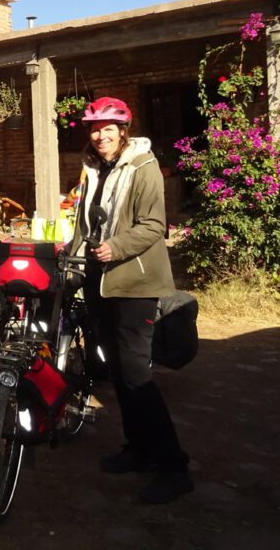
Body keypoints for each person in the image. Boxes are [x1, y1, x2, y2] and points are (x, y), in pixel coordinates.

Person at [70, 96, 193, 504]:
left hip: (135, 285)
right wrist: (71, 258)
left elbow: (155, 225)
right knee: (118, 372)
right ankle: (138, 448)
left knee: (137, 374)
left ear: (123, 131)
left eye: (109, 128)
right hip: (101, 283)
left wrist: (116, 247)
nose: (101, 135)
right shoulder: (93, 169)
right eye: (95, 128)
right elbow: (83, 224)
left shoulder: (142, 167)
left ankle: (174, 466)